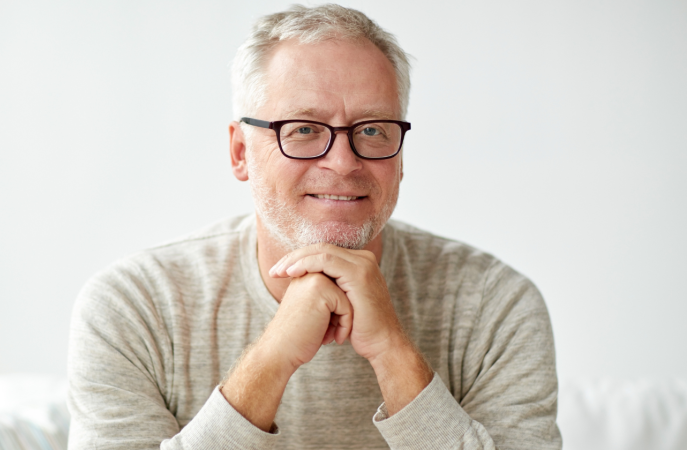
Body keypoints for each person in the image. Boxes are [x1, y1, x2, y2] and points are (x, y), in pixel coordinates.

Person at [66, 4, 561, 449]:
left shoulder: (494, 304)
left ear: (401, 155)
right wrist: (271, 358)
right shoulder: (134, 306)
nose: (343, 162)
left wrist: (392, 352)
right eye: (302, 129)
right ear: (240, 152)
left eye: (372, 130)